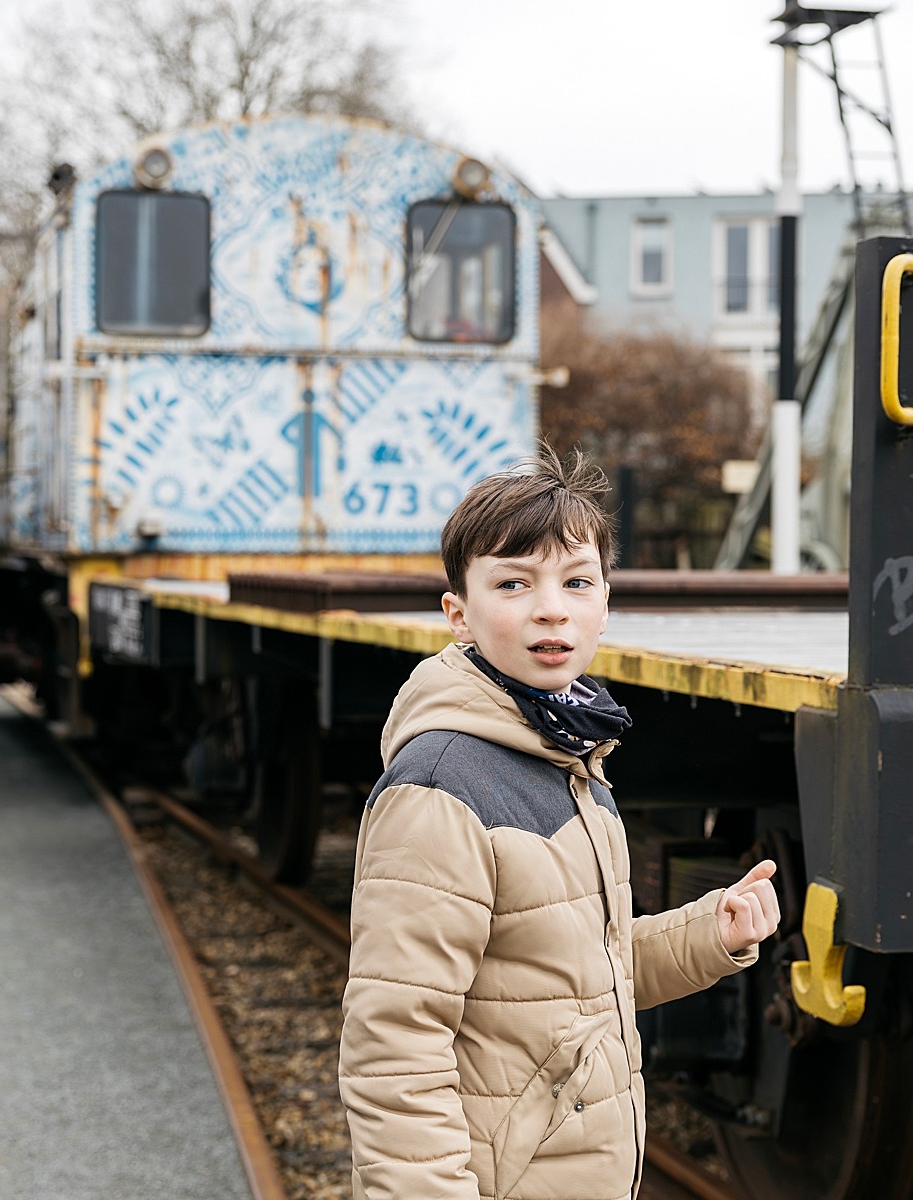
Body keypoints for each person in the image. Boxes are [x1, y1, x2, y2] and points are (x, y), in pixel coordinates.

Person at [338, 446, 780, 1200]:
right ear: (460, 616)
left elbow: (578, 980)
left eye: (577, 582)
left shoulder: (568, 757)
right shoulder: (442, 789)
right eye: (513, 583)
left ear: (606, 602)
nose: (552, 608)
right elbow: (394, 1045)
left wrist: (714, 933)